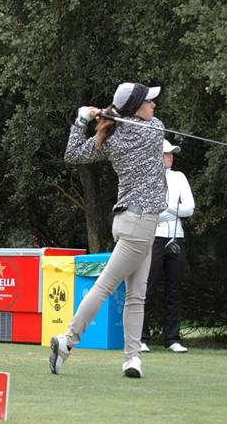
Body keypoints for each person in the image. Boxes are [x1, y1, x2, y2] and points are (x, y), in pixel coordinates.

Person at [49, 82, 167, 379]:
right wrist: (109, 116)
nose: (154, 105)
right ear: (135, 108)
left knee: (137, 294)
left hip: (131, 221)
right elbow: (151, 123)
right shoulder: (154, 129)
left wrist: (82, 120)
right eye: (148, 101)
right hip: (139, 224)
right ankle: (68, 340)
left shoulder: (111, 136)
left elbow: (72, 154)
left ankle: (132, 358)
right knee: (105, 286)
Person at [140, 139, 194, 353]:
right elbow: (148, 210)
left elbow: (189, 209)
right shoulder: (146, 178)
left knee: (174, 290)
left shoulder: (179, 177)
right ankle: (141, 338)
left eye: (171, 154)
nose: (170, 157)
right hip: (153, 237)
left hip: (176, 237)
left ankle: (172, 339)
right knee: (147, 288)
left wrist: (167, 207)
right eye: (166, 154)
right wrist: (173, 209)